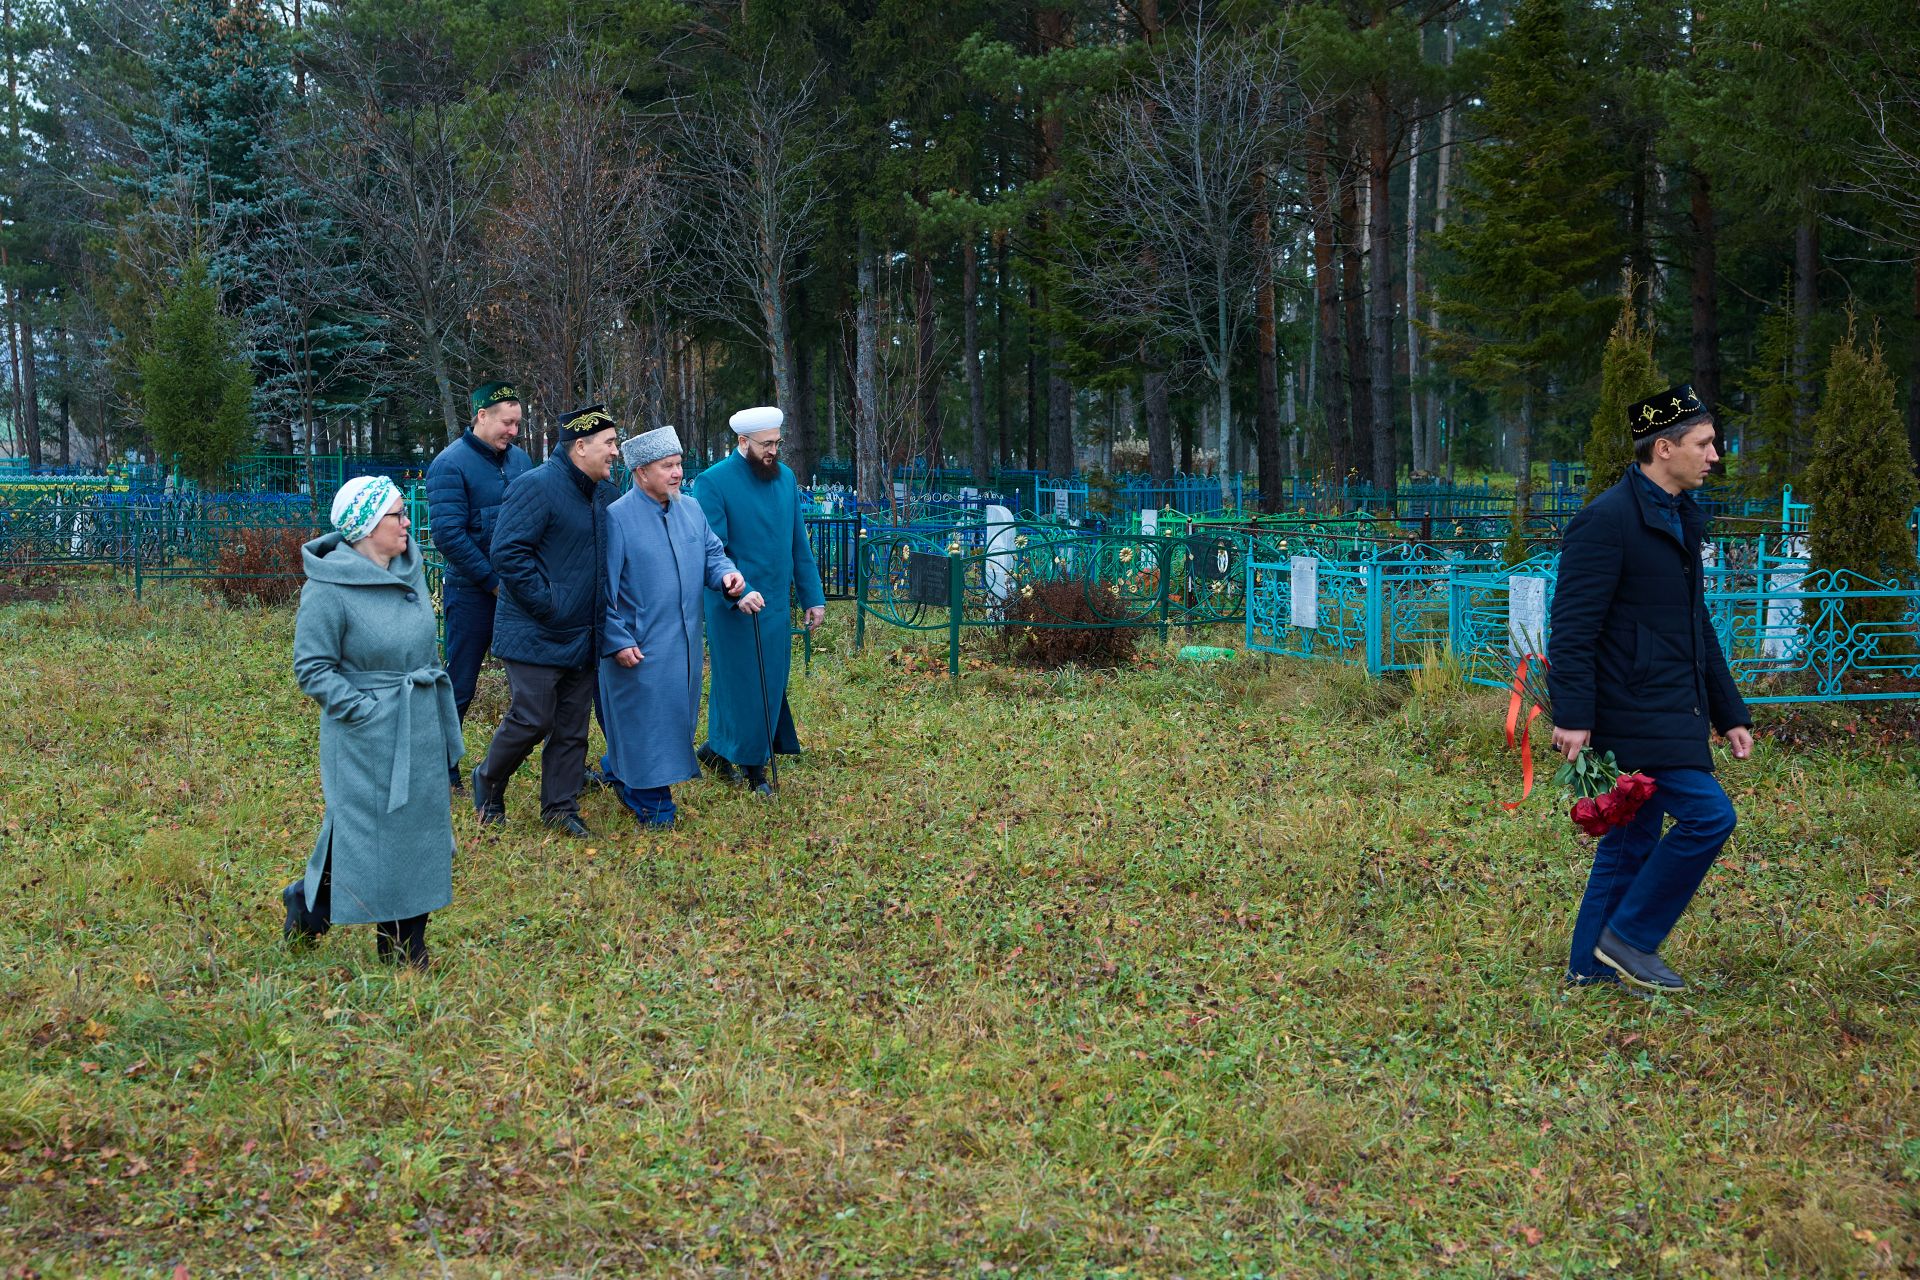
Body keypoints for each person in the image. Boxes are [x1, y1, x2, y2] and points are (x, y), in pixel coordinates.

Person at [1548, 383, 1754, 994]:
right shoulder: (1607, 520)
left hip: (1671, 706)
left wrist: (1729, 711)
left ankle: (1589, 968)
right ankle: (1631, 938)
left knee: (1629, 842)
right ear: (1664, 448)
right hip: (1633, 712)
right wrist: (1573, 715)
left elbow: (1695, 625)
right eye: (1704, 443)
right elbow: (1573, 627)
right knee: (1709, 818)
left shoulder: (1679, 516)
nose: (1714, 455)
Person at [283, 476, 462, 970]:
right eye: (397, 515)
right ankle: (311, 904)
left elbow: (422, 649)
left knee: (416, 833)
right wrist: (366, 711)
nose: (408, 523)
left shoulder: (411, 570)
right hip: (363, 735)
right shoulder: (328, 588)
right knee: (364, 833)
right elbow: (312, 668)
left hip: (419, 720)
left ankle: (404, 948)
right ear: (365, 527)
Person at [599, 426, 765, 827]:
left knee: (672, 718)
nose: (677, 473)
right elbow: (600, 589)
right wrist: (616, 639)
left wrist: (728, 578)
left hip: (685, 643)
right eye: (667, 466)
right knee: (644, 722)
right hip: (638, 646)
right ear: (641, 472)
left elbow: (713, 554)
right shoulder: (616, 518)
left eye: (678, 464)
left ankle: (618, 770)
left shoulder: (690, 509)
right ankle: (652, 803)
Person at [471, 404, 620, 837]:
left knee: (572, 726)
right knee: (533, 718)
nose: (616, 452)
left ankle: (559, 806)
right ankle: (488, 780)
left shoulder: (605, 494)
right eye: (609, 443)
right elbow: (507, 553)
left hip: (584, 631)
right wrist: (550, 604)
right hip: (536, 629)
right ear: (580, 446)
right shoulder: (535, 486)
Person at [693, 406, 827, 794]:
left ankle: (716, 750)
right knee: (743, 683)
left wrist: (813, 597)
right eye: (765, 444)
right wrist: (738, 591)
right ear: (742, 441)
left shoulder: (785, 478)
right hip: (734, 604)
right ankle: (755, 768)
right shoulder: (713, 482)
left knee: (770, 679)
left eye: (777, 443)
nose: (773, 451)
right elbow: (713, 550)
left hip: (776, 606)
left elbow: (798, 542)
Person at [425, 381, 532, 792]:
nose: (513, 432)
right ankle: (442, 768)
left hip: (520, 590)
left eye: (517, 424)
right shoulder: (450, 465)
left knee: (536, 680)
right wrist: (492, 583)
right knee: (461, 682)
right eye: (507, 423)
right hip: (472, 592)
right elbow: (449, 535)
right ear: (482, 416)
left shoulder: (521, 460)